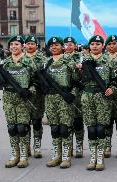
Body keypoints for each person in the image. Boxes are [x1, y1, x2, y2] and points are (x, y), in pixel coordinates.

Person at [77, 35, 115, 171]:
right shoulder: (83, 61)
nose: (94, 46)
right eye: (92, 44)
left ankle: (100, 157)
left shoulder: (108, 61)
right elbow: (76, 80)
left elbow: (115, 80)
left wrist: (112, 89)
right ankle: (92, 156)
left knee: (100, 128)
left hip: (102, 96)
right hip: (87, 96)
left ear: (102, 46)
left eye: (98, 44)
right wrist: (78, 70)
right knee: (91, 128)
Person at [1, 35, 38, 168]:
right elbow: (0, 81)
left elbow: (36, 81)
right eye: (11, 45)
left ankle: (23, 156)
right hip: (9, 97)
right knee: (12, 128)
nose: (13, 47)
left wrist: (30, 91)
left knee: (22, 128)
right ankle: (14, 155)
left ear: (22, 46)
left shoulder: (29, 61)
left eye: (16, 44)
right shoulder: (5, 63)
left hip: (23, 98)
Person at [45, 37, 78, 169]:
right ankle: (56, 155)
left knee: (65, 129)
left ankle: (65, 157)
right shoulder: (46, 62)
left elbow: (77, 81)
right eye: (51, 45)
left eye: (56, 45)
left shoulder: (69, 61)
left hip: (64, 98)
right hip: (50, 98)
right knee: (54, 128)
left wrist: (72, 94)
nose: (54, 47)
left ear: (62, 47)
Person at [25, 35, 46, 158]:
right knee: (24, 122)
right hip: (24, 94)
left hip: (38, 94)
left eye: (33, 44)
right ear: (25, 45)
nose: (30, 46)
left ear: (37, 45)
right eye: (28, 44)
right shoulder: (20, 58)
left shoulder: (42, 58)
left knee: (37, 121)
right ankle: (26, 145)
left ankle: (37, 146)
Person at [63, 36, 85, 158]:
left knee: (77, 120)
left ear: (75, 46)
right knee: (66, 121)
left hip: (77, 93)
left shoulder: (81, 57)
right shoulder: (60, 58)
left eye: (71, 44)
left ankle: (79, 144)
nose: (68, 46)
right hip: (64, 93)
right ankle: (68, 145)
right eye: (66, 44)